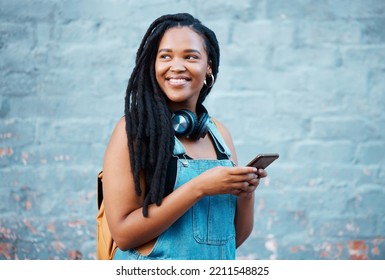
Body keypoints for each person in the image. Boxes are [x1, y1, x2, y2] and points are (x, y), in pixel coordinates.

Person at [102, 13, 267, 260]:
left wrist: (246, 193)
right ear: (153, 65)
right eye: (165, 56)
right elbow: (124, 235)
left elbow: (233, 238)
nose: (176, 66)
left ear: (208, 66)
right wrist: (199, 188)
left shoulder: (219, 134)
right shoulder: (133, 131)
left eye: (190, 56)